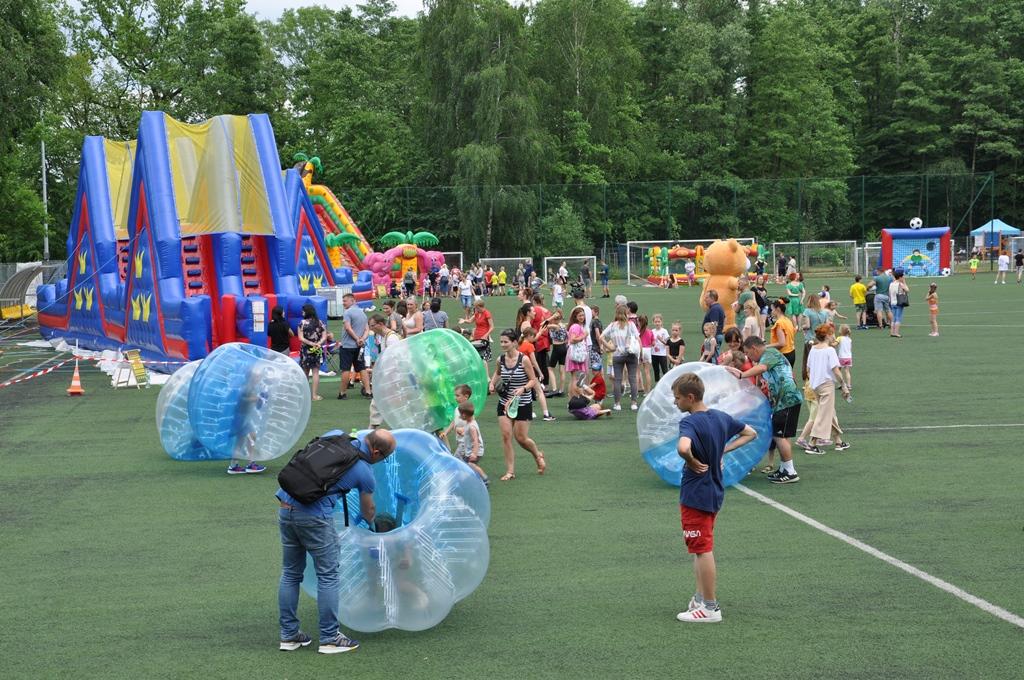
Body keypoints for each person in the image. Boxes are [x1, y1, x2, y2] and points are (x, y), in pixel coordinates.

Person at [276, 429, 396, 654]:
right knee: (328, 576)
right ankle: (330, 638)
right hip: (314, 518)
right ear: (376, 452)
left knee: (291, 573)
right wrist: (373, 526)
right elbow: (368, 510)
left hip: (285, 508)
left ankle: (289, 635)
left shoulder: (335, 435)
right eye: (384, 457)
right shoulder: (364, 470)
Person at [672, 373, 757, 623]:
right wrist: (723, 449)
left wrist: (692, 461)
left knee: (703, 549)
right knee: (699, 548)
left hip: (696, 493)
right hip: (714, 491)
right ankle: (700, 597)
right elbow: (750, 433)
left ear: (690, 397)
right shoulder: (720, 417)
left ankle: (710, 607)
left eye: (677, 398)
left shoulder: (689, 423)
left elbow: (683, 448)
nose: (675, 403)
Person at [728, 336, 803, 484]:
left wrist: (742, 375)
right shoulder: (767, 356)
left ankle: (790, 471)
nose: (750, 358)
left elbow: (762, 368)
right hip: (782, 402)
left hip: (787, 400)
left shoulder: (770, 353)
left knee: (779, 436)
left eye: (749, 353)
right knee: (780, 434)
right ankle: (784, 468)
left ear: (754, 349)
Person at [489, 329, 547, 481]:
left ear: (514, 342)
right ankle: (510, 471)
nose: (502, 344)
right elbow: (497, 373)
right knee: (506, 436)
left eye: (505, 342)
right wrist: (492, 383)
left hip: (522, 403)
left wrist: (523, 388)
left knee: (521, 438)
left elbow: (533, 380)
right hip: (504, 403)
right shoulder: (500, 359)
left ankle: (537, 455)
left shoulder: (524, 360)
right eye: (501, 342)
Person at [802, 324, 851, 454]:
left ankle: (838, 441)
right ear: (828, 335)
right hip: (826, 385)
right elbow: (836, 370)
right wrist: (844, 385)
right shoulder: (830, 350)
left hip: (815, 386)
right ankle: (812, 444)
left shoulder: (813, 349)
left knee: (830, 412)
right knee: (823, 414)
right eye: (832, 334)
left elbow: (808, 369)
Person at [600, 305, 641, 411]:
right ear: (627, 314)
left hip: (617, 355)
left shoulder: (613, 326)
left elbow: (601, 337)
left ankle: (617, 404)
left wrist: (609, 346)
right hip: (631, 354)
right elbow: (638, 338)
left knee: (617, 380)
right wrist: (639, 354)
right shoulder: (631, 325)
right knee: (632, 379)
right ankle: (634, 403)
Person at [367, 313, 402, 429]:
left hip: (394, 379)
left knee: (379, 405)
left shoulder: (391, 338)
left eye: (372, 326)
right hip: (389, 379)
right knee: (377, 406)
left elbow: (395, 362)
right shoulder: (384, 337)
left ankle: (371, 431)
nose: (371, 329)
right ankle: (371, 430)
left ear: (380, 324)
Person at [518, 327, 556, 421]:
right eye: (533, 336)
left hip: (521, 371)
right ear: (529, 335)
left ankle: (527, 412)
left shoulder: (519, 345)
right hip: (530, 371)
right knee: (539, 392)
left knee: (524, 392)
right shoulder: (530, 346)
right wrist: (540, 373)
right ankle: (546, 414)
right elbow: (534, 362)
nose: (534, 338)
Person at [337, 294, 370, 400]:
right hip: (359, 346)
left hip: (347, 346)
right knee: (362, 368)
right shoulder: (363, 313)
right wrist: (362, 339)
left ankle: (342, 393)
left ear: (353, 301)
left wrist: (356, 339)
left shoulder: (347, 312)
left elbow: (348, 328)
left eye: (345, 301)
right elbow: (367, 330)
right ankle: (368, 391)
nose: (343, 303)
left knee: (346, 369)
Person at [298, 303, 328, 401]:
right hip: (317, 349)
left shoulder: (302, 323)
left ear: (307, 312)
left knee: (305, 372)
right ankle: (314, 395)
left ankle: (305, 395)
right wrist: (318, 343)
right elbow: (324, 335)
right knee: (315, 372)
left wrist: (310, 343)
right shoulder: (320, 323)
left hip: (306, 350)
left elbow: (300, 338)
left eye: (303, 311)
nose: (302, 313)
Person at [453, 402, 487, 483]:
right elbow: (469, 435)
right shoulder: (468, 423)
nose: (459, 416)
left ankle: (484, 479)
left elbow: (476, 441)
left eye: (460, 414)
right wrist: (463, 433)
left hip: (475, 451)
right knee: (465, 465)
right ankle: (469, 480)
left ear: (464, 415)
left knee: (471, 465)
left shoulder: (472, 427)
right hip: (469, 451)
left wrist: (474, 453)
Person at [799, 293, 829, 382]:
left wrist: (801, 327)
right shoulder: (824, 312)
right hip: (821, 340)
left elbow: (807, 325)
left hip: (810, 339)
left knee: (808, 361)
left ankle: (809, 381)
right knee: (821, 362)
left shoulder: (807, 311)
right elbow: (827, 326)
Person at [565, 307, 590, 397]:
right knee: (576, 378)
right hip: (576, 355)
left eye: (583, 315)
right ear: (575, 317)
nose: (582, 317)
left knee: (574, 378)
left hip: (576, 354)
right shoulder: (576, 326)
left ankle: (572, 399)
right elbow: (572, 340)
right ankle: (575, 398)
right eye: (579, 315)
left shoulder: (578, 326)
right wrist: (584, 335)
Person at [768, 299, 796, 367]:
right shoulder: (787, 320)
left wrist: (765, 346)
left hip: (783, 355)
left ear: (778, 309)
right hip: (791, 352)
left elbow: (781, 343)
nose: (771, 312)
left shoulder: (779, 323)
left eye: (772, 309)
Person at [545, 312, 567, 395]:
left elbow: (544, 325)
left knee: (550, 368)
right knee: (562, 369)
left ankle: (554, 389)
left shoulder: (555, 326)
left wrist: (550, 318)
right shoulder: (563, 325)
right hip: (564, 347)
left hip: (557, 348)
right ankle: (561, 390)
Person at [888, 270, 909, 338]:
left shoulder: (891, 284)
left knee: (893, 318)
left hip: (892, 302)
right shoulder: (900, 284)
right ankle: (896, 333)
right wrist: (904, 282)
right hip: (899, 302)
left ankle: (892, 332)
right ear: (900, 277)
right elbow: (907, 290)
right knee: (898, 318)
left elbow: (889, 293)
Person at [650, 313, 670, 384]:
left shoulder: (664, 331)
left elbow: (668, 343)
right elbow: (650, 343)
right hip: (654, 354)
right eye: (656, 322)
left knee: (664, 370)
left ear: (661, 322)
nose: (657, 323)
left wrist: (661, 340)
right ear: (653, 322)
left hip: (662, 354)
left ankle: (667, 384)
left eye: (659, 322)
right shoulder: (652, 331)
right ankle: (657, 384)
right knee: (656, 370)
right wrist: (652, 343)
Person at [637, 315, 654, 393]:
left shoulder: (637, 331)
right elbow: (653, 343)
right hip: (647, 350)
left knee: (637, 371)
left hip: (639, 350)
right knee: (647, 372)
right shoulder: (650, 331)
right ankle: (648, 391)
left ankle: (636, 391)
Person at [836, 323, 854, 388]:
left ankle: (841, 384)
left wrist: (829, 343)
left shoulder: (839, 338)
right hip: (849, 357)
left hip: (841, 357)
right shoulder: (849, 339)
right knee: (847, 371)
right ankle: (849, 385)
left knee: (838, 370)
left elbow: (835, 344)